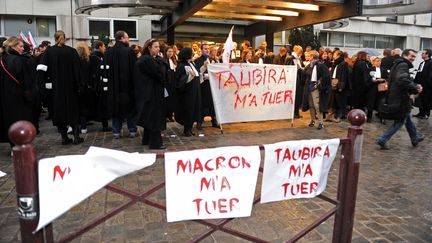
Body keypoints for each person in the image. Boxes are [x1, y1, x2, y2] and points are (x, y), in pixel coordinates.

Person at [36, 30, 83, 145]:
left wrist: (43, 87)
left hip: (55, 89)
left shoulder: (48, 52)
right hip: (70, 88)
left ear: (54, 38)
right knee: (73, 111)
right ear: (65, 38)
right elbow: (78, 71)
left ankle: (64, 137)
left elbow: (41, 70)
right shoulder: (71, 51)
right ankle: (76, 137)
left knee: (59, 112)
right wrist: (80, 86)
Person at [376, 49, 425, 150]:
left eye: (414, 57)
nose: (413, 58)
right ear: (405, 56)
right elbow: (401, 79)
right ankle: (383, 139)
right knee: (401, 120)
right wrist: (415, 88)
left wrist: (413, 85)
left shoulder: (399, 64)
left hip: (397, 96)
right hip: (399, 98)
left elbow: (401, 79)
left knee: (407, 117)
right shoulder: (403, 65)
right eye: (411, 56)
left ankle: (414, 137)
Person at [0, 37, 35, 150]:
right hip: (19, 97)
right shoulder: (18, 60)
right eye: (20, 46)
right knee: (21, 121)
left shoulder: (2, 59)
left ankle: (12, 145)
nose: (22, 48)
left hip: (5, 96)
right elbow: (25, 80)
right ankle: (20, 144)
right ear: (13, 46)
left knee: (9, 120)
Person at [101, 30, 137, 139]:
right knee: (130, 109)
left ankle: (116, 131)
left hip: (113, 88)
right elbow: (134, 70)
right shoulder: (129, 52)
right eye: (127, 37)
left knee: (116, 110)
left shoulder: (107, 53)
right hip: (128, 87)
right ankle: (132, 130)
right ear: (121, 38)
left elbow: (103, 71)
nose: (128, 39)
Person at [134, 38, 168, 149]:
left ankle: (147, 140)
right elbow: (160, 75)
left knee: (150, 116)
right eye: (156, 47)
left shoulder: (147, 59)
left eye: (159, 47)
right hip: (152, 93)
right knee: (154, 118)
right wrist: (161, 62)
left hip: (148, 92)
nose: (158, 49)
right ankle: (155, 143)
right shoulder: (148, 60)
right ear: (149, 47)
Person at [175, 47, 201, 136]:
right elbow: (180, 80)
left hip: (195, 90)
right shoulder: (182, 65)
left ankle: (190, 128)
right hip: (187, 92)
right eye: (191, 53)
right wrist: (189, 77)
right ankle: (187, 129)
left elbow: (197, 75)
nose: (193, 54)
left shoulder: (191, 63)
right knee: (188, 110)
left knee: (194, 109)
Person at [301, 50, 330, 130]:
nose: (307, 57)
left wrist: (319, 85)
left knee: (317, 106)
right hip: (309, 88)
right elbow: (305, 76)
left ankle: (321, 122)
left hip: (315, 88)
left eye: (309, 56)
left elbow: (326, 77)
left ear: (312, 57)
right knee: (311, 105)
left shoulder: (320, 66)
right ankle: (313, 121)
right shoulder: (309, 65)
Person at [195, 43, 219, 129]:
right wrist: (206, 76)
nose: (207, 50)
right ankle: (200, 121)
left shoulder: (213, 60)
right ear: (201, 50)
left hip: (212, 86)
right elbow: (197, 72)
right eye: (205, 49)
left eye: (208, 49)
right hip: (203, 85)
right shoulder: (198, 60)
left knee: (212, 103)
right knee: (202, 103)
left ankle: (214, 120)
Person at [75, 41, 97, 134]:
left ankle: (75, 127)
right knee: (84, 107)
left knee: (77, 107)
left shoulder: (74, 60)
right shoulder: (90, 59)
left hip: (77, 87)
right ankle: (83, 126)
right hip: (87, 87)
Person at [91, 40, 110, 131]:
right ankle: (105, 125)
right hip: (101, 84)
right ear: (99, 47)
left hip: (98, 84)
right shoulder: (98, 57)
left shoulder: (93, 56)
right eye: (103, 46)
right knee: (103, 105)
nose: (104, 48)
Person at [327, 50, 349, 122]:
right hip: (334, 84)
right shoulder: (336, 63)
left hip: (339, 85)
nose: (333, 56)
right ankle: (332, 116)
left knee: (340, 101)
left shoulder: (343, 64)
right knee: (334, 100)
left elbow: (343, 76)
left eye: (334, 54)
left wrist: (341, 87)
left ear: (338, 55)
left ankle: (339, 116)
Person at [413, 49, 432, 119]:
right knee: (420, 99)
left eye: (423, 53)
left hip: (427, 86)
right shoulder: (422, 63)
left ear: (427, 54)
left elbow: (430, 75)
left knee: (427, 100)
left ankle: (426, 114)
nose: (422, 54)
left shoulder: (430, 63)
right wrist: (415, 82)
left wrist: (428, 84)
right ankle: (421, 113)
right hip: (420, 85)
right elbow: (419, 73)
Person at [163, 45, 177, 122]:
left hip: (173, 83)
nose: (171, 53)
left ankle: (170, 115)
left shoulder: (173, 60)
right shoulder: (164, 61)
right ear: (165, 52)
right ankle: (165, 116)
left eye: (172, 51)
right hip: (167, 83)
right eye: (169, 51)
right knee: (166, 100)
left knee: (172, 100)